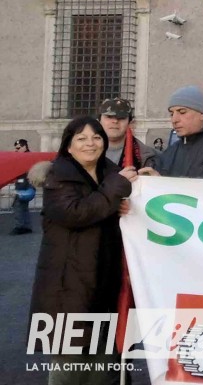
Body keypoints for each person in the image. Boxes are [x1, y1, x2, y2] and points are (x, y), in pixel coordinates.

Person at [28, 117, 136, 382]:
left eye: (96, 137)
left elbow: (104, 208)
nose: (91, 143)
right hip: (68, 288)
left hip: (104, 284)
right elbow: (77, 213)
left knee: (103, 368)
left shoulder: (109, 175)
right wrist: (115, 190)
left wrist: (123, 206)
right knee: (70, 368)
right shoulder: (58, 178)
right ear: (68, 146)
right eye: (82, 138)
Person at [140, 86, 203, 178]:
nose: (174, 119)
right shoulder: (170, 152)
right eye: (171, 114)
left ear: (202, 114)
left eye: (182, 112)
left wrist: (163, 182)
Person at [98, 97, 155, 169]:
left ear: (130, 123)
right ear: (99, 121)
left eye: (121, 117)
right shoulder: (86, 150)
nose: (115, 121)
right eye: (109, 117)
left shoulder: (147, 156)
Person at [10, 138, 34, 235]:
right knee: (23, 207)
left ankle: (19, 227)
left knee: (18, 206)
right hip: (24, 185)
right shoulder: (28, 157)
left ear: (24, 147)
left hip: (24, 185)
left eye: (18, 148)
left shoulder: (27, 158)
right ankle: (26, 226)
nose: (16, 150)